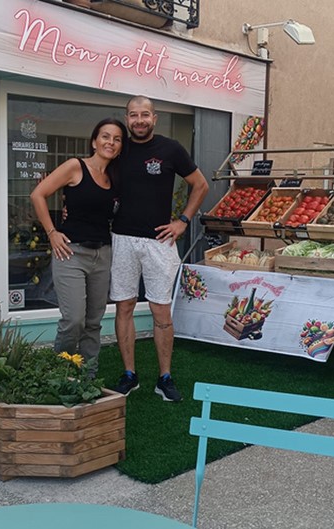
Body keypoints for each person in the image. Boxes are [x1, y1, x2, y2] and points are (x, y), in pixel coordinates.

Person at [111, 95, 209, 402]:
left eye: (144, 115)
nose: (139, 120)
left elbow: (201, 184)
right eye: (133, 115)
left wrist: (182, 221)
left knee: (161, 310)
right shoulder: (117, 148)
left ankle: (164, 378)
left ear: (155, 118)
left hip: (160, 242)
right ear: (126, 119)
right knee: (124, 307)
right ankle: (130, 375)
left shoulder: (170, 149)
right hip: (122, 239)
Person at [30, 118, 127, 377]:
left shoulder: (115, 177)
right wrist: (52, 233)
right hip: (71, 252)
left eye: (117, 139)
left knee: (93, 323)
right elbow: (38, 194)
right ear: (94, 141)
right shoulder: (76, 166)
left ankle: (87, 377)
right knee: (73, 320)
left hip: (102, 255)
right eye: (105, 136)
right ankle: (58, 374)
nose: (111, 142)